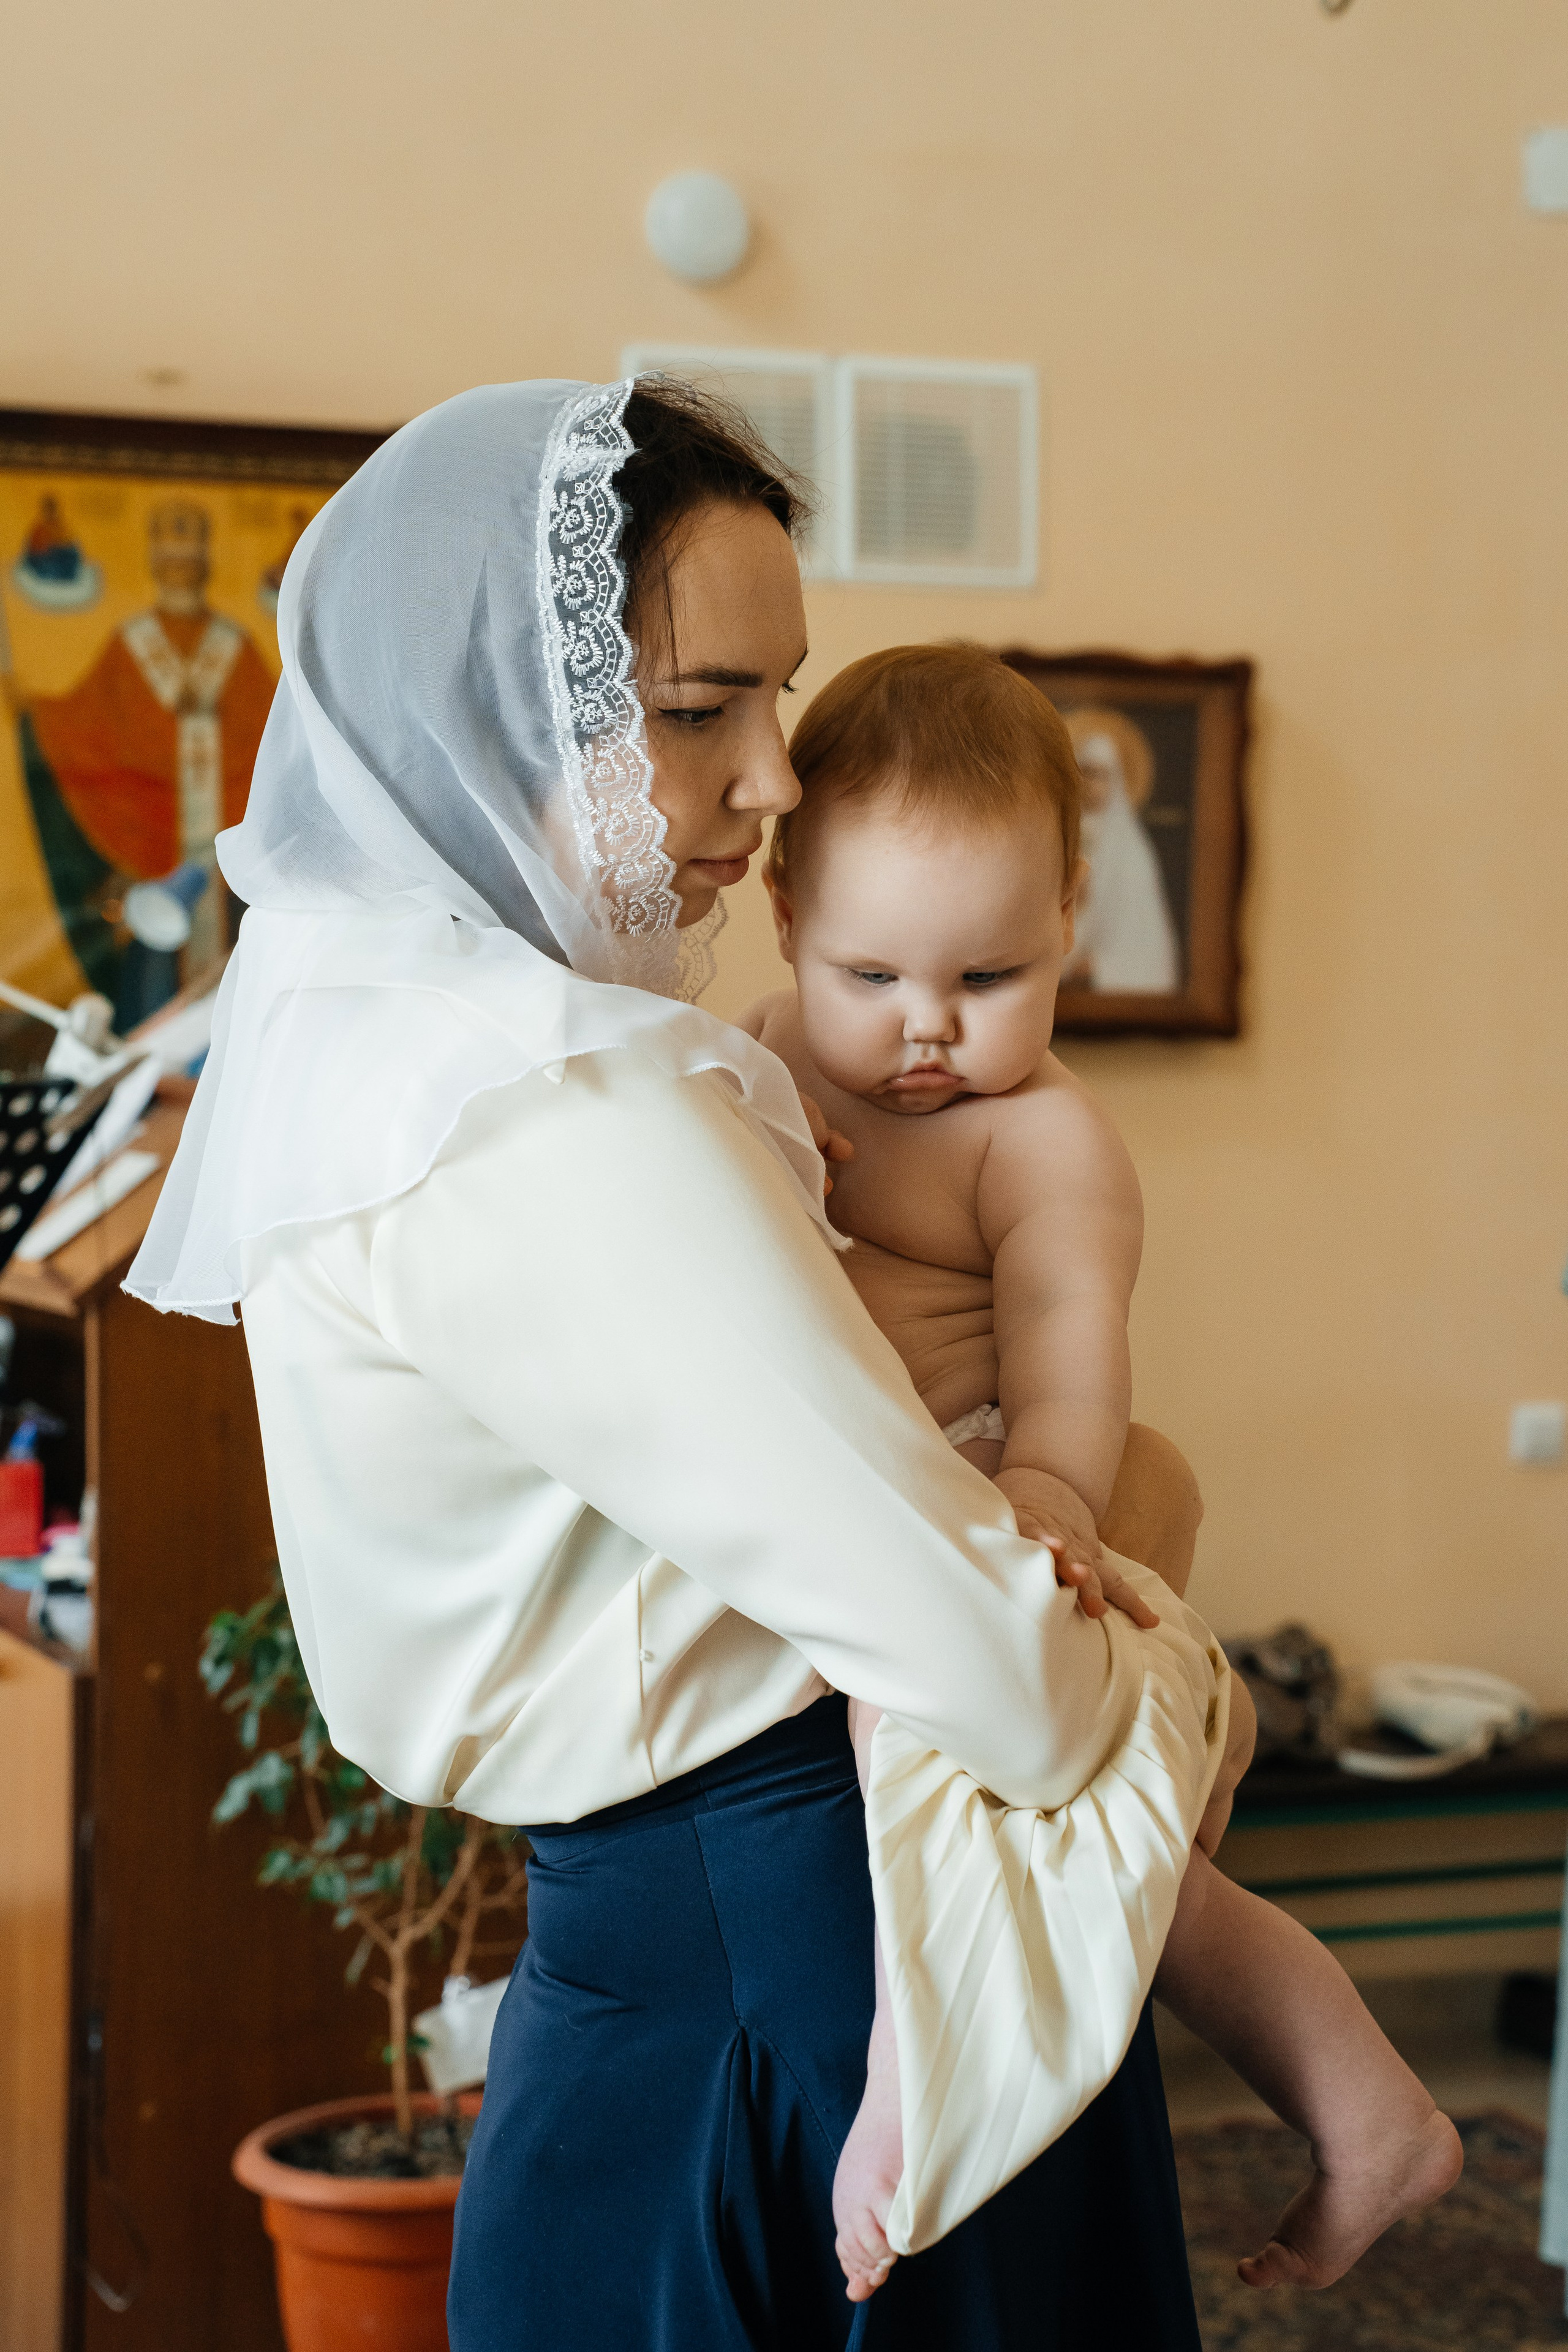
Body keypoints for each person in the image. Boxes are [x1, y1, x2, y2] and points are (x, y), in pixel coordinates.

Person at [127, 379, 1231, 2350]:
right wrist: (1150, 1565)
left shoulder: (375, 1036)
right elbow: (1012, 1683)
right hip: (802, 1944)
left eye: (779, 706)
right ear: (502, 702)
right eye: (701, 706)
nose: (777, 783)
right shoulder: (553, 1104)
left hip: (678, 1930)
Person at [744, 643, 1463, 2302]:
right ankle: (1358, 2091)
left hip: (997, 1489)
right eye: (874, 976)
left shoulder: (1042, 1139)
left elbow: (1075, 1350)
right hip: (856, 1495)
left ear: (1071, 911)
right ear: (784, 916)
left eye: (989, 978)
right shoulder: (756, 1054)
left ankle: (917, 2095)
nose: (927, 1029)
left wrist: (1057, 1505)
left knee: (919, 1730)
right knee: (1120, 1856)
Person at [1060, 703, 1180, 992]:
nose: (1090, 784)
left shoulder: (1132, 851)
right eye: (1084, 772)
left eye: (1100, 774)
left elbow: (1140, 935)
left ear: (1116, 780)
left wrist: (1098, 965)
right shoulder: (1056, 834)